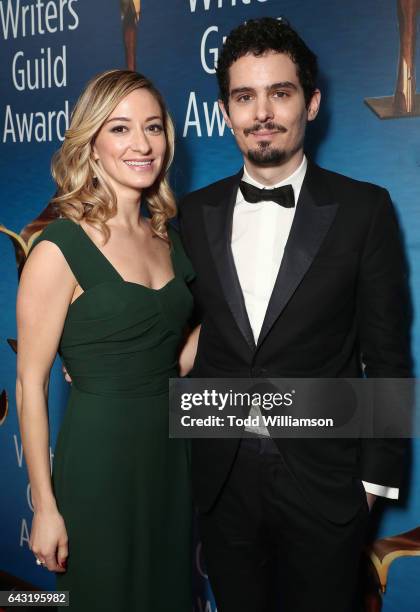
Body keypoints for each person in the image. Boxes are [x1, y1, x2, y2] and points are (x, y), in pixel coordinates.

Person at [178, 18, 412, 612]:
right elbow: (171, 333)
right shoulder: (192, 215)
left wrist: (369, 487)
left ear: (310, 103)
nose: (262, 113)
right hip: (220, 480)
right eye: (244, 96)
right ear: (226, 110)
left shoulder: (364, 210)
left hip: (325, 486)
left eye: (279, 93)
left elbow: (387, 353)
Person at [16, 69, 198, 612]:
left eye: (152, 127)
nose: (141, 144)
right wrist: (46, 507)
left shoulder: (168, 235)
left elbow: (177, 360)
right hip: (100, 457)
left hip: (170, 454)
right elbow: (29, 384)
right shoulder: (59, 246)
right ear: (91, 144)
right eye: (120, 129)